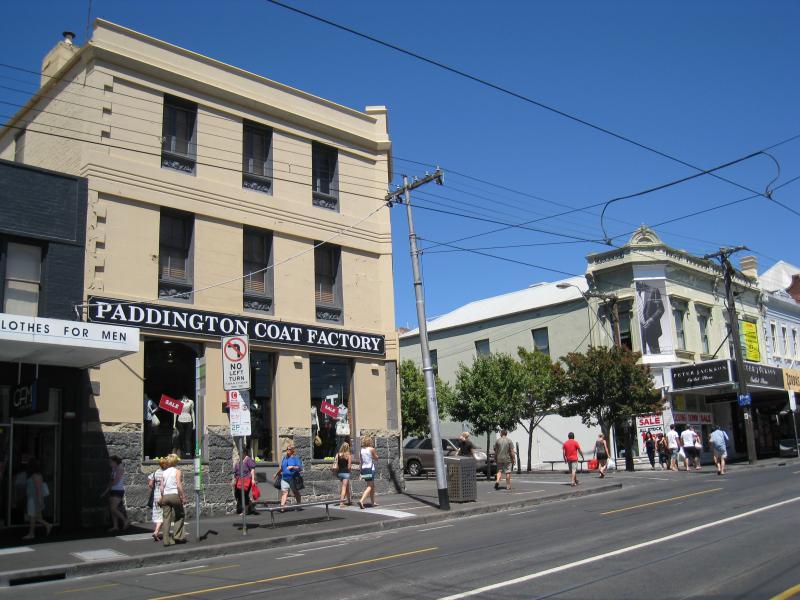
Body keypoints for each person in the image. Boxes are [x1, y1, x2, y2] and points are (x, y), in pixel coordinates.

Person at [159, 453, 187, 546]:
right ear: (175, 462)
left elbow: (161, 488)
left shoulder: (163, 472)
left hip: (165, 496)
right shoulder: (177, 471)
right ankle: (177, 536)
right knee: (180, 515)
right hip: (174, 495)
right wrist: (183, 496)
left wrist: (162, 497)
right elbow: (179, 485)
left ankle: (166, 541)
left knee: (166, 518)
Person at [22, 459, 51, 540]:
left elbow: (38, 489)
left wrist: (40, 500)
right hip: (33, 498)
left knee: (32, 516)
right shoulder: (37, 475)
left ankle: (31, 534)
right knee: (35, 516)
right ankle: (47, 525)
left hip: (33, 499)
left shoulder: (35, 475)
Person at [637, 281, 665, 354]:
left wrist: (651, 320)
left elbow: (661, 309)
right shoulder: (632, 292)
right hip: (638, 329)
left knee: (656, 355)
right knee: (641, 358)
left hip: (651, 328)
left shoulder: (653, 290)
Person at [104, 455, 129, 532]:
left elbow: (115, 481)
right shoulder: (114, 469)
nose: (110, 463)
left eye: (111, 462)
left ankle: (125, 520)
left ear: (115, 462)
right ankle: (115, 526)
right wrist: (107, 490)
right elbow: (112, 481)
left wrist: (108, 486)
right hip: (113, 490)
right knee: (112, 509)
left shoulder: (119, 469)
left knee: (113, 508)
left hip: (118, 490)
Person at [276, 445, 303, 511]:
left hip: (293, 478)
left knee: (296, 492)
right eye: (287, 449)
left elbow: (300, 468)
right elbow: (282, 468)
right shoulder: (285, 458)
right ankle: (282, 507)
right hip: (284, 478)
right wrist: (277, 474)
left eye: (289, 449)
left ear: (293, 450)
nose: (288, 450)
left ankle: (299, 505)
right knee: (284, 492)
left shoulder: (295, 458)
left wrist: (292, 467)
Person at [148, 457, 168, 541]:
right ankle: (156, 532)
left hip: (156, 495)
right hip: (163, 495)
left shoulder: (156, 472)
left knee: (157, 513)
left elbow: (150, 484)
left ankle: (157, 532)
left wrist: (155, 486)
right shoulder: (166, 473)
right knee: (163, 514)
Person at [233, 446, 257, 515]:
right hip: (239, 480)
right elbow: (236, 470)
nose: (239, 454)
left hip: (246, 480)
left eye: (240, 453)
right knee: (238, 495)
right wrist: (235, 480)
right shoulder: (240, 461)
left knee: (244, 494)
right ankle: (249, 506)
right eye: (238, 453)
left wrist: (252, 479)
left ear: (244, 453)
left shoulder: (248, 459)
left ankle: (245, 510)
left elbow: (252, 469)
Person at [358, 436, 379, 509]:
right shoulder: (371, 449)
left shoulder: (361, 450)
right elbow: (376, 458)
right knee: (370, 486)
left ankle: (373, 502)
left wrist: (360, 472)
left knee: (372, 485)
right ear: (370, 442)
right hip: (370, 468)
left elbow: (361, 461)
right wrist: (376, 456)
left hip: (364, 468)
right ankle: (361, 500)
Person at [335, 441, 352, 507]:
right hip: (346, 473)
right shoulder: (348, 455)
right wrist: (350, 471)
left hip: (339, 473)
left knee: (346, 486)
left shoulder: (338, 454)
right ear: (348, 448)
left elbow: (336, 463)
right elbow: (349, 466)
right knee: (344, 487)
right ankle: (341, 502)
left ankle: (349, 500)